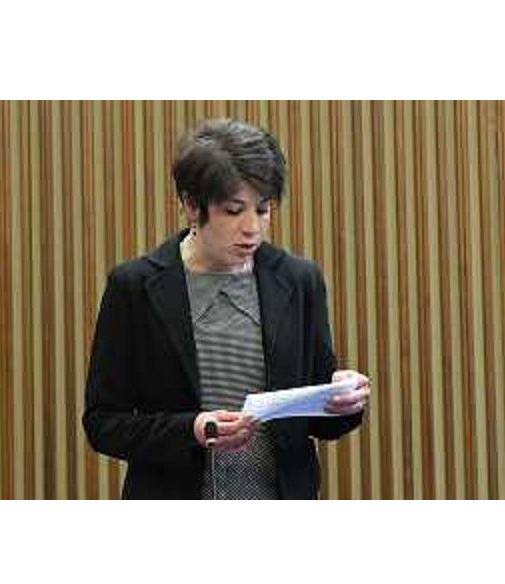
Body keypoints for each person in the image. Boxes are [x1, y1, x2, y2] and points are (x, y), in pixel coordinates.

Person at [83, 119, 371, 499]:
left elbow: (320, 423)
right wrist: (192, 430)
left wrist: (343, 399)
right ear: (191, 205)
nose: (252, 228)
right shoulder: (135, 287)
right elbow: (103, 423)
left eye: (263, 209)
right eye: (234, 210)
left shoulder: (299, 280)